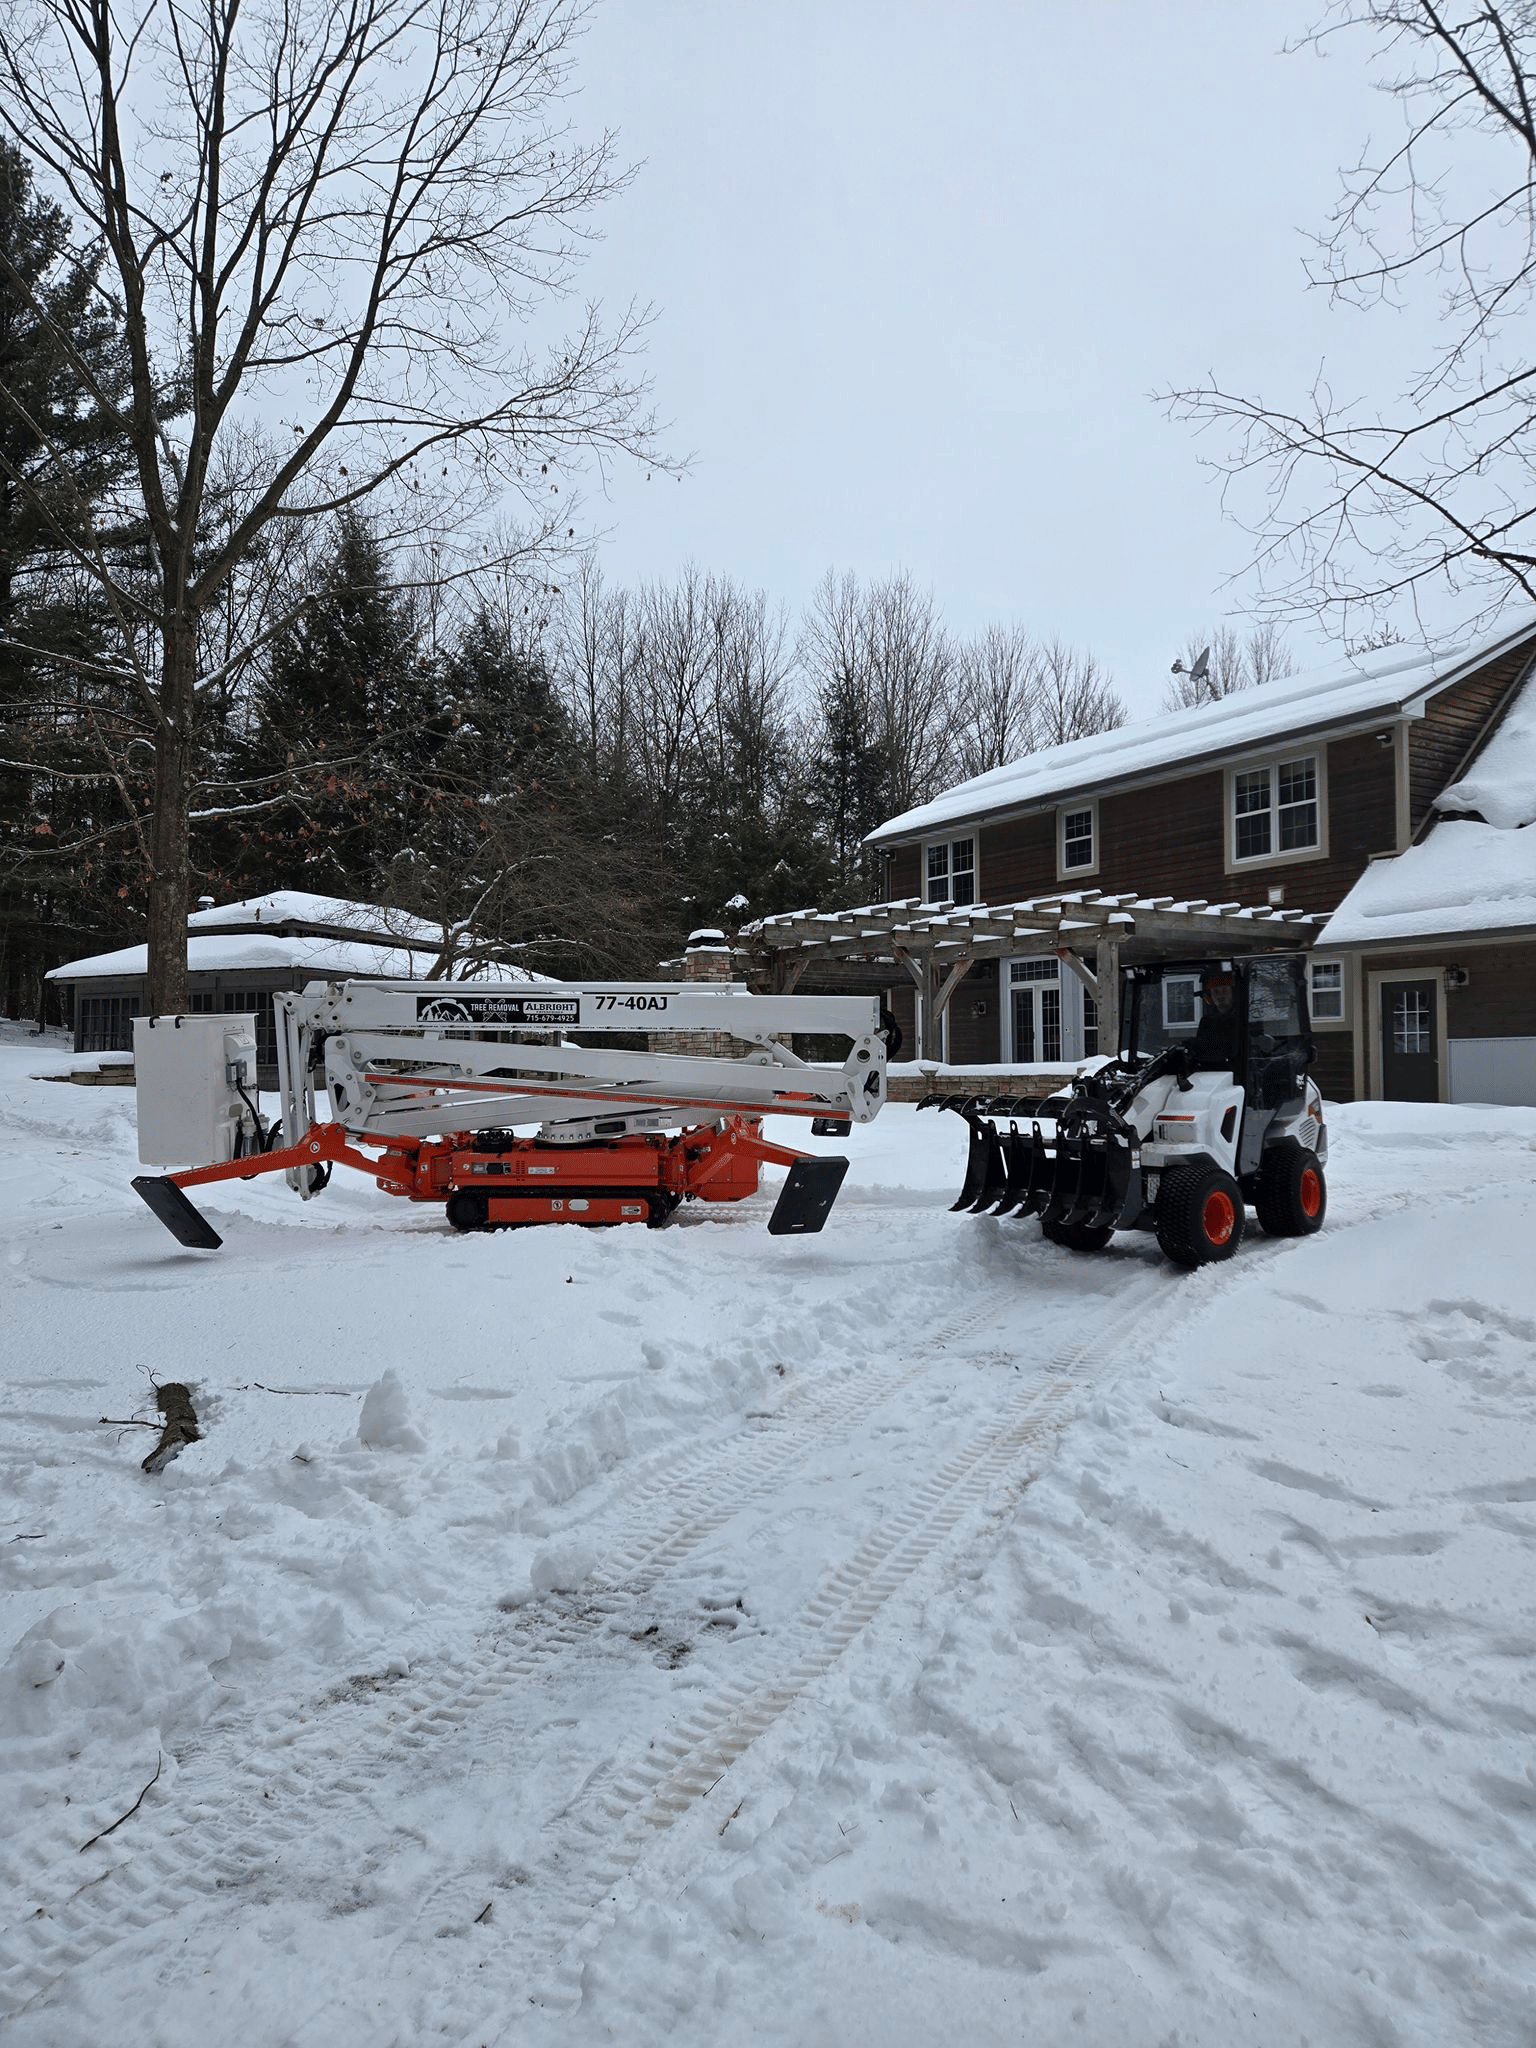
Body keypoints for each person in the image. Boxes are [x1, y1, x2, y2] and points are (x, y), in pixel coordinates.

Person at [1190, 969, 1237, 1070]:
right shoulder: (1206, 1022)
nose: (1220, 996)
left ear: (1233, 993)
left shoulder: (1243, 1019)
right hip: (1209, 1072)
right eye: (1215, 991)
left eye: (1224, 990)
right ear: (1209, 996)